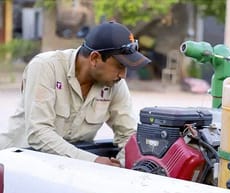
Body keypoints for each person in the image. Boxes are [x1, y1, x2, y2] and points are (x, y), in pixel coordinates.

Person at [0, 21, 151, 167]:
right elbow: (39, 133)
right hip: (16, 166)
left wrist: (122, 164)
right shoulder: (46, 67)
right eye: (120, 66)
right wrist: (93, 162)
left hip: (66, 170)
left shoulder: (114, 83)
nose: (123, 75)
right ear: (95, 58)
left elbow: (129, 135)